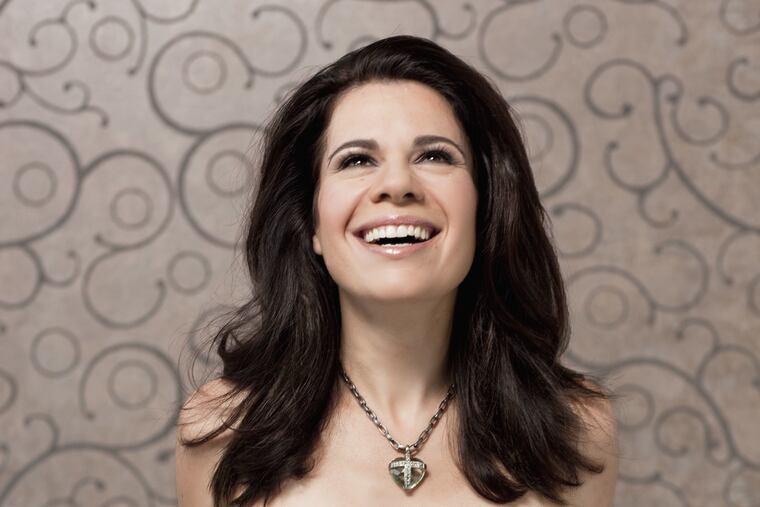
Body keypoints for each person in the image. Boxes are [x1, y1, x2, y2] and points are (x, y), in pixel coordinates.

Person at [175, 34, 619, 506]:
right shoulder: (220, 431)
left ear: (485, 207)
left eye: (435, 155)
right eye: (356, 160)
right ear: (312, 224)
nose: (397, 184)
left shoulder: (576, 430)